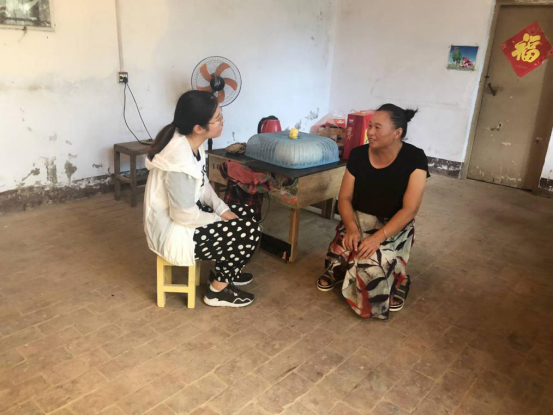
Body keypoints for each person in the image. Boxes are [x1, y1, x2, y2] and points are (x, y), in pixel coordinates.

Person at [144, 91, 261, 308]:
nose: (223, 121)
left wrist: (222, 210)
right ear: (198, 127)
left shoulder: (191, 142)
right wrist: (218, 219)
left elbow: (203, 183)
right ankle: (217, 291)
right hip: (176, 231)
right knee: (248, 232)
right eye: (218, 118)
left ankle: (223, 273)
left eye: (221, 115)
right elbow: (182, 215)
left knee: (248, 213)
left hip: (187, 216)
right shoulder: (179, 161)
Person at [317, 104, 429, 320]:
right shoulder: (359, 155)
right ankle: (341, 270)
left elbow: (410, 209)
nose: (370, 132)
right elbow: (345, 198)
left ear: (397, 133)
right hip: (359, 219)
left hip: (392, 224)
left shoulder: (415, 158)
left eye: (378, 127)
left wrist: (378, 238)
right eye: (370, 126)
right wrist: (351, 227)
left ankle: (399, 279)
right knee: (340, 252)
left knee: (372, 266)